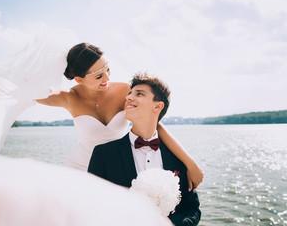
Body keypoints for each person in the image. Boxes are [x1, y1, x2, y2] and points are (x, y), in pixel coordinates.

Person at [36, 43, 203, 191]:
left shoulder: (125, 92)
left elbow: (154, 124)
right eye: (99, 76)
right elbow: (28, 91)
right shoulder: (69, 98)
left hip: (118, 167)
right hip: (81, 167)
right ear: (79, 79)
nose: (107, 78)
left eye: (107, 69)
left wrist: (191, 164)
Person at [88, 73, 201, 226]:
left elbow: (192, 210)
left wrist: (171, 224)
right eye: (129, 93)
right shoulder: (104, 154)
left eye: (139, 94)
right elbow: (91, 205)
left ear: (157, 106)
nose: (128, 98)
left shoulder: (178, 157)